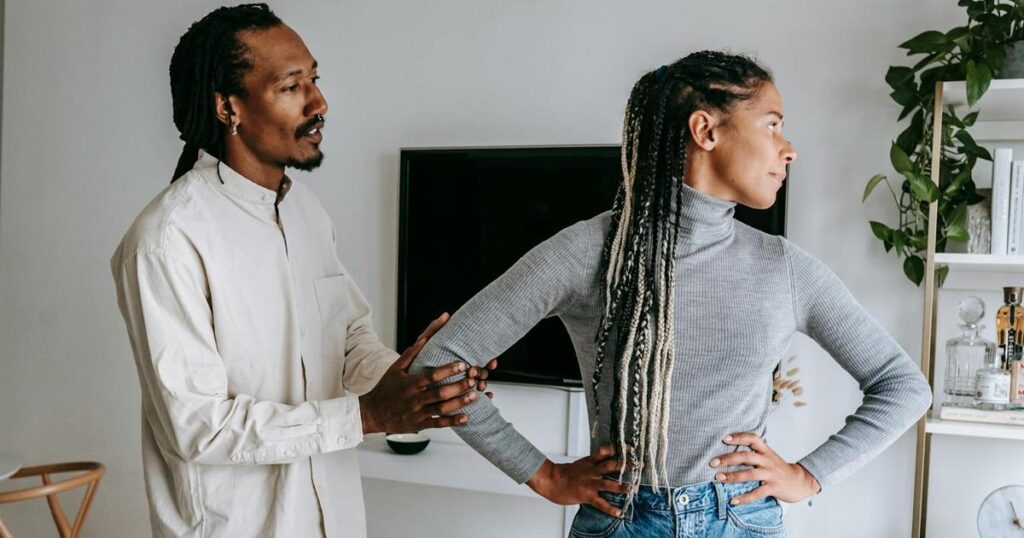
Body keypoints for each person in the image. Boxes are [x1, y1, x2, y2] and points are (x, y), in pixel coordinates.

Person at [409, 51, 932, 537]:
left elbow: (903, 385)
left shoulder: (785, 268)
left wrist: (809, 475)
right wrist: (543, 475)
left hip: (741, 520)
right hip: (622, 520)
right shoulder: (588, 251)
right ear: (705, 129)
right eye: (772, 125)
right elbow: (440, 361)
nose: (788, 148)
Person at [111, 4, 492, 537]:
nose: (319, 102)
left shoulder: (306, 212)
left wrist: (413, 380)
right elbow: (199, 427)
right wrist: (368, 416)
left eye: (315, 79)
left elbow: (348, 339)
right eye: (292, 86)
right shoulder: (166, 240)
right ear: (228, 107)